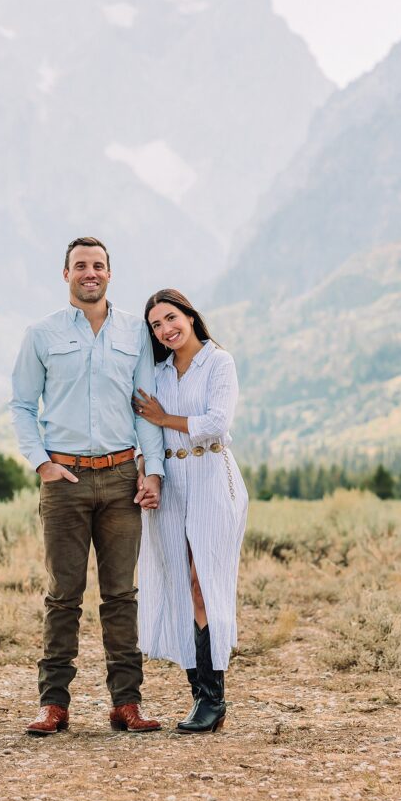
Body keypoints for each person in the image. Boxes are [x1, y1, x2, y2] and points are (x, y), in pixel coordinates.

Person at [10, 236, 165, 736]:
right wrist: (42, 464)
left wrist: (152, 470)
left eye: (98, 265)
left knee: (121, 595)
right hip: (65, 480)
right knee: (63, 596)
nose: (90, 273)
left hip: (122, 479)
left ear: (109, 273)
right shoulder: (42, 334)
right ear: (66, 274)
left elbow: (144, 407)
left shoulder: (135, 332)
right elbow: (22, 405)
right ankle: (53, 704)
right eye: (80, 265)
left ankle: (127, 703)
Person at [132, 288, 248, 733]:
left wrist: (165, 419)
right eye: (156, 325)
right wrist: (146, 471)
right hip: (170, 483)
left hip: (212, 478)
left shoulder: (219, 362)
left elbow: (217, 422)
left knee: (204, 583)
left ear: (190, 316)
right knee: (180, 584)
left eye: (171, 318)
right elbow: (142, 430)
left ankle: (213, 699)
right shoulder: (158, 374)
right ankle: (199, 695)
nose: (165, 329)